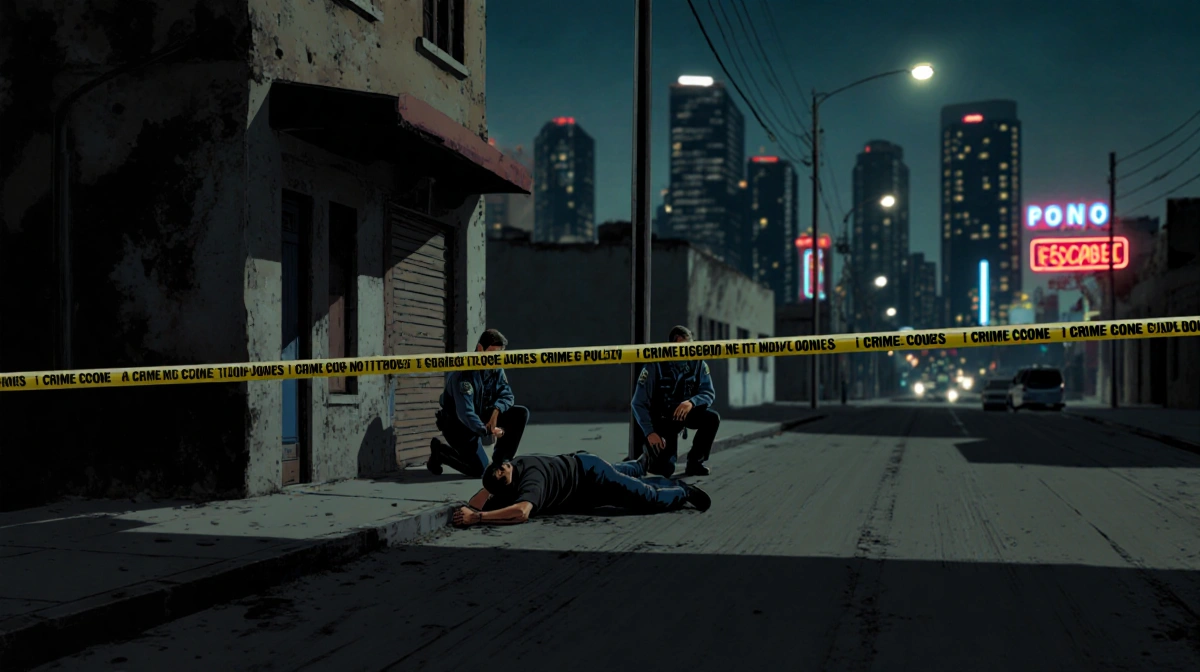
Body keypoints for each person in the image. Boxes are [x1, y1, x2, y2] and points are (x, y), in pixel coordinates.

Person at [450, 452, 711, 527]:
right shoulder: (509, 474)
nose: (505, 465)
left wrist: (478, 517)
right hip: (581, 487)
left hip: (591, 475)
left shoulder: (532, 480)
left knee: (645, 497)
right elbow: (482, 496)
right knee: (628, 485)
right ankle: (635, 467)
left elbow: (521, 512)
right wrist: (473, 507)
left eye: (503, 466)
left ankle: (684, 492)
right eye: (501, 469)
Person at [428, 329, 529, 478]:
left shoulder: (495, 368)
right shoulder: (464, 373)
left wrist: (496, 411)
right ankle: (441, 452)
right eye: (493, 352)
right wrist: (488, 431)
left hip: (481, 415)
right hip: (457, 425)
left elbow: (507, 395)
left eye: (499, 354)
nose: (496, 358)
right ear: (480, 348)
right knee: (479, 470)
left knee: (520, 413)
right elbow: (466, 413)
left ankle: (501, 461)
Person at [631, 325, 721, 478]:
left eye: (689, 347)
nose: (687, 352)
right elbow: (638, 403)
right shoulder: (655, 365)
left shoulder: (698, 363)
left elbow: (708, 392)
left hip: (685, 412)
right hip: (663, 419)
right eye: (682, 348)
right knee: (664, 470)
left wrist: (692, 402)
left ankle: (695, 463)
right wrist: (650, 432)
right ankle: (647, 456)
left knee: (712, 418)